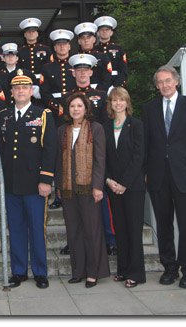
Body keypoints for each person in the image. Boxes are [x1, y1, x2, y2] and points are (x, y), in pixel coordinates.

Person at [142, 65, 186, 288]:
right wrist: (144, 171)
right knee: (163, 225)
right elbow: (146, 144)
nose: (164, 85)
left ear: (176, 81)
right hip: (158, 176)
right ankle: (169, 268)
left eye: (167, 81)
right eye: (160, 82)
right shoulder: (149, 108)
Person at [0, 72, 57, 289]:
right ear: (11, 92)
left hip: (35, 184)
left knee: (36, 229)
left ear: (31, 91)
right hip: (12, 184)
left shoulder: (42, 115)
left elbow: (50, 150)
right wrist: (1, 178)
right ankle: (19, 271)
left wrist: (46, 180)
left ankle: (40, 272)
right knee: (16, 228)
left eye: (25, 88)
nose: (20, 91)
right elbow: (3, 150)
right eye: (16, 88)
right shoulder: (4, 116)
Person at [59, 54, 114, 256]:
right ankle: (74, 242)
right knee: (74, 209)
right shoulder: (68, 98)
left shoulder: (101, 94)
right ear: (73, 73)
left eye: (86, 70)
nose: (82, 73)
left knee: (100, 200)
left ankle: (108, 239)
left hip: (97, 152)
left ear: (91, 72)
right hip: (75, 157)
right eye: (78, 70)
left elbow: (106, 123)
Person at [55, 91, 110, 288]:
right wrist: (59, 187)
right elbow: (58, 160)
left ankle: (93, 273)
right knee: (74, 232)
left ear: (86, 109)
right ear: (68, 110)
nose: (76, 109)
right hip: (68, 189)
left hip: (89, 188)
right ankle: (78, 271)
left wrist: (97, 186)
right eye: (72, 106)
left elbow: (100, 160)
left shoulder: (96, 129)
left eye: (79, 106)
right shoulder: (62, 130)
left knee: (91, 231)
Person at [103, 87, 146, 288]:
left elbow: (139, 157)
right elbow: (103, 158)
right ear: (110, 104)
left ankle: (136, 273)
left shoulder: (136, 125)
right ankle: (123, 270)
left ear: (127, 102)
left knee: (133, 229)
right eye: (114, 100)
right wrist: (109, 180)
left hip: (132, 187)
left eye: (121, 99)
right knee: (119, 229)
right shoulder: (105, 126)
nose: (118, 103)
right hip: (113, 186)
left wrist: (125, 183)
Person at [40, 29, 75, 210]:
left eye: (64, 44)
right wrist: (57, 107)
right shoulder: (47, 68)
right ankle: (59, 195)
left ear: (69, 46)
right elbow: (44, 93)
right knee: (56, 156)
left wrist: (71, 109)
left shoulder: (76, 65)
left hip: (74, 115)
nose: (62, 47)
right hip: (54, 117)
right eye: (58, 44)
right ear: (54, 47)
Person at [74, 22, 113, 93]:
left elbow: (107, 78)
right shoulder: (75, 59)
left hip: (99, 91)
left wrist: (98, 93)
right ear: (79, 41)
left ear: (94, 39)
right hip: (79, 93)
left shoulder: (103, 57)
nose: (86, 40)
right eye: (83, 38)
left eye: (88, 37)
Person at [93, 16, 128, 88]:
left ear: (111, 32)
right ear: (98, 33)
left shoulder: (119, 49)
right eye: (102, 30)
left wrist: (117, 86)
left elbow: (123, 70)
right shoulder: (93, 50)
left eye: (107, 29)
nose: (104, 31)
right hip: (98, 84)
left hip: (115, 83)